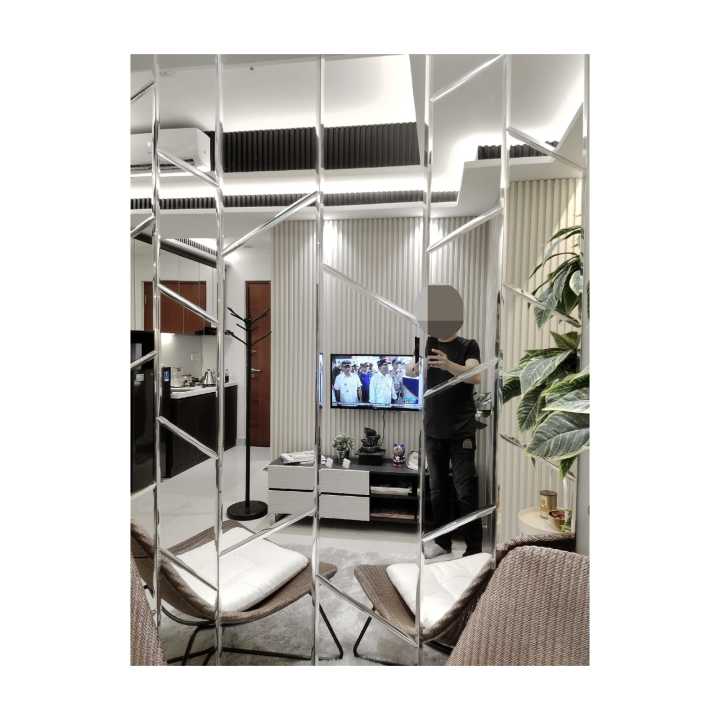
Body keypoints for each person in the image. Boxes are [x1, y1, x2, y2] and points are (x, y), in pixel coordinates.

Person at [408, 332, 483, 558]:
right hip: (433, 430)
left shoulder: (469, 345)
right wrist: (412, 369)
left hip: (461, 431)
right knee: (437, 491)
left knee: (465, 491)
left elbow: (475, 376)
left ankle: (474, 549)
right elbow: (413, 374)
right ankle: (443, 542)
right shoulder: (429, 343)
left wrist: (448, 364)